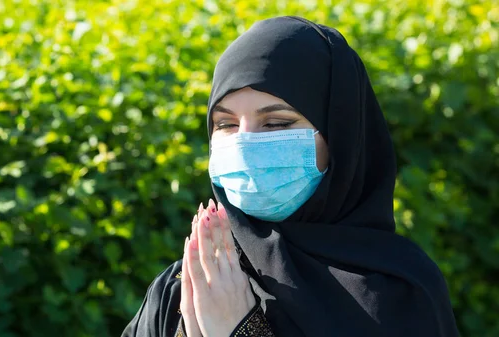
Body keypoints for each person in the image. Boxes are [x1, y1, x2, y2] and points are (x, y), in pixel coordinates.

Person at [121, 16, 460, 337]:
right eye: (226, 124)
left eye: (277, 124)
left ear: (340, 138)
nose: (244, 143)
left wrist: (241, 329)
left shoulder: (401, 292)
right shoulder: (191, 283)